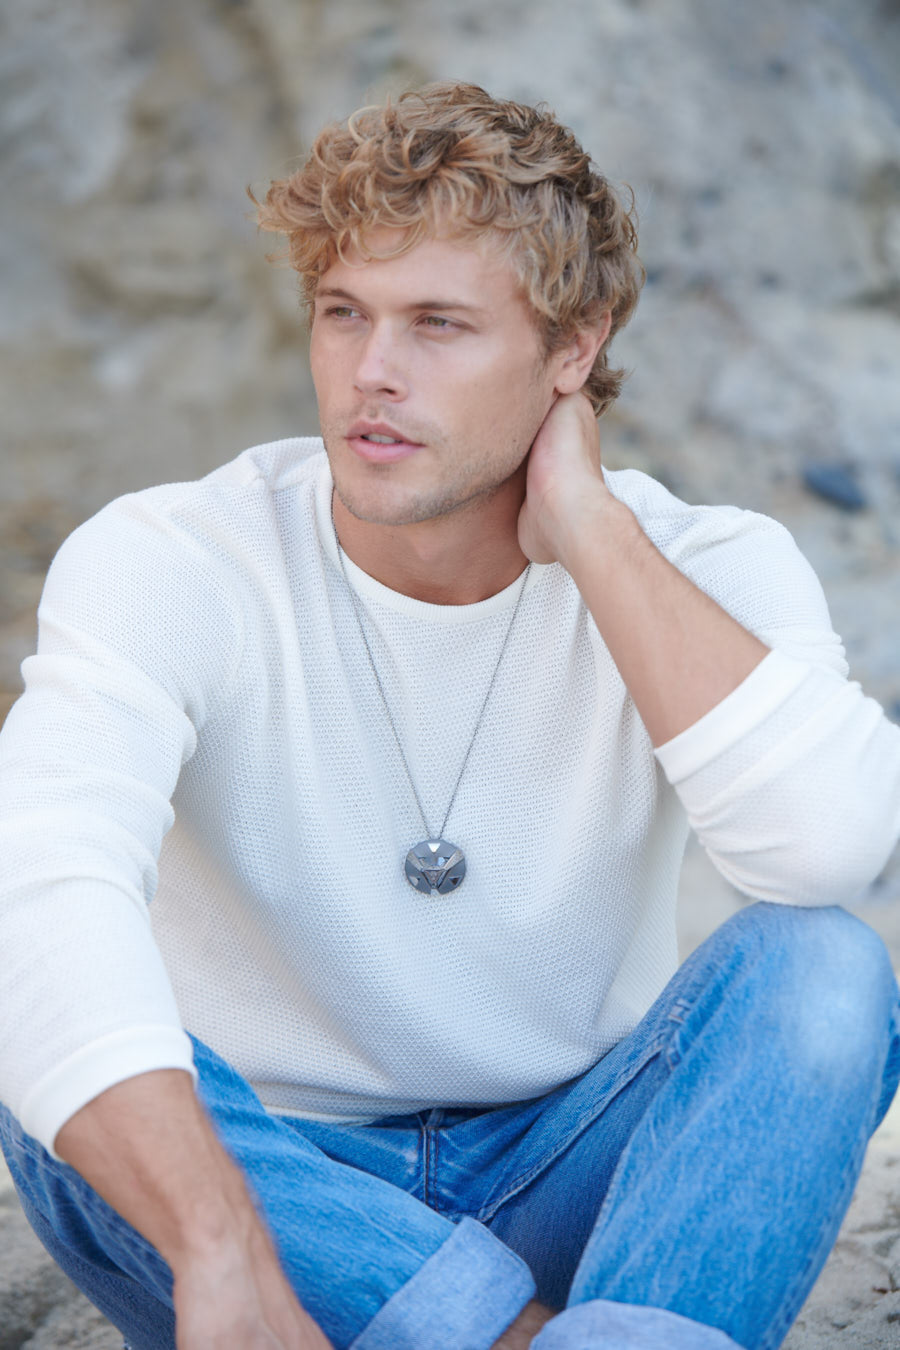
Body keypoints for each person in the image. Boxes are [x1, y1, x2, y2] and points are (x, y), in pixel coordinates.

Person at [1, 80, 899, 1350]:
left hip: (569, 1165)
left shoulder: (708, 562)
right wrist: (215, 1235)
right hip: (279, 1192)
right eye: (343, 314)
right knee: (71, 1068)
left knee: (826, 974)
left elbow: (827, 851)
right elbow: (38, 882)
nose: (373, 372)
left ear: (571, 350)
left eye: (438, 324)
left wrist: (591, 532)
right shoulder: (176, 560)